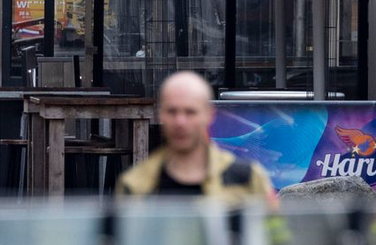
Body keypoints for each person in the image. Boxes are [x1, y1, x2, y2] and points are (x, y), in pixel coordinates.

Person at [116, 70, 276, 203]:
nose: (180, 122)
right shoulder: (135, 185)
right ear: (160, 115)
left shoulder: (247, 179)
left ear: (209, 114)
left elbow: (276, 239)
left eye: (190, 112)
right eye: (172, 111)